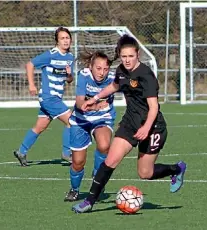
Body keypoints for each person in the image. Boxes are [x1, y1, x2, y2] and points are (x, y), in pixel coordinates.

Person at [72, 35, 187, 213]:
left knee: (145, 173)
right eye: (123, 56)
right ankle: (89, 201)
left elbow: (154, 107)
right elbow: (114, 87)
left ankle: (176, 169)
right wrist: (94, 98)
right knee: (110, 160)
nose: (127, 60)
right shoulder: (120, 71)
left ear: (137, 54)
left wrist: (146, 128)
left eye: (130, 56)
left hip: (153, 127)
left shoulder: (146, 75)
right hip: (130, 124)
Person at [13, 27, 74, 166]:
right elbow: (30, 65)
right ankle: (66, 153)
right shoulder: (50, 55)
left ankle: (21, 151)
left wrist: (69, 75)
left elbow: (69, 80)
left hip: (56, 98)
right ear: (57, 41)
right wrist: (31, 85)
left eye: (67, 38)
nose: (65, 41)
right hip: (48, 97)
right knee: (72, 121)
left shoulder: (70, 58)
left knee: (40, 127)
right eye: (62, 38)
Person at [64, 50, 116, 202]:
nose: (102, 72)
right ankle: (74, 189)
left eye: (105, 69)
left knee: (104, 145)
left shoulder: (113, 78)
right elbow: (80, 102)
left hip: (103, 118)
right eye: (98, 68)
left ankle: (97, 175)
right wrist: (93, 106)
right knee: (78, 162)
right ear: (91, 66)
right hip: (80, 120)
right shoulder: (84, 76)